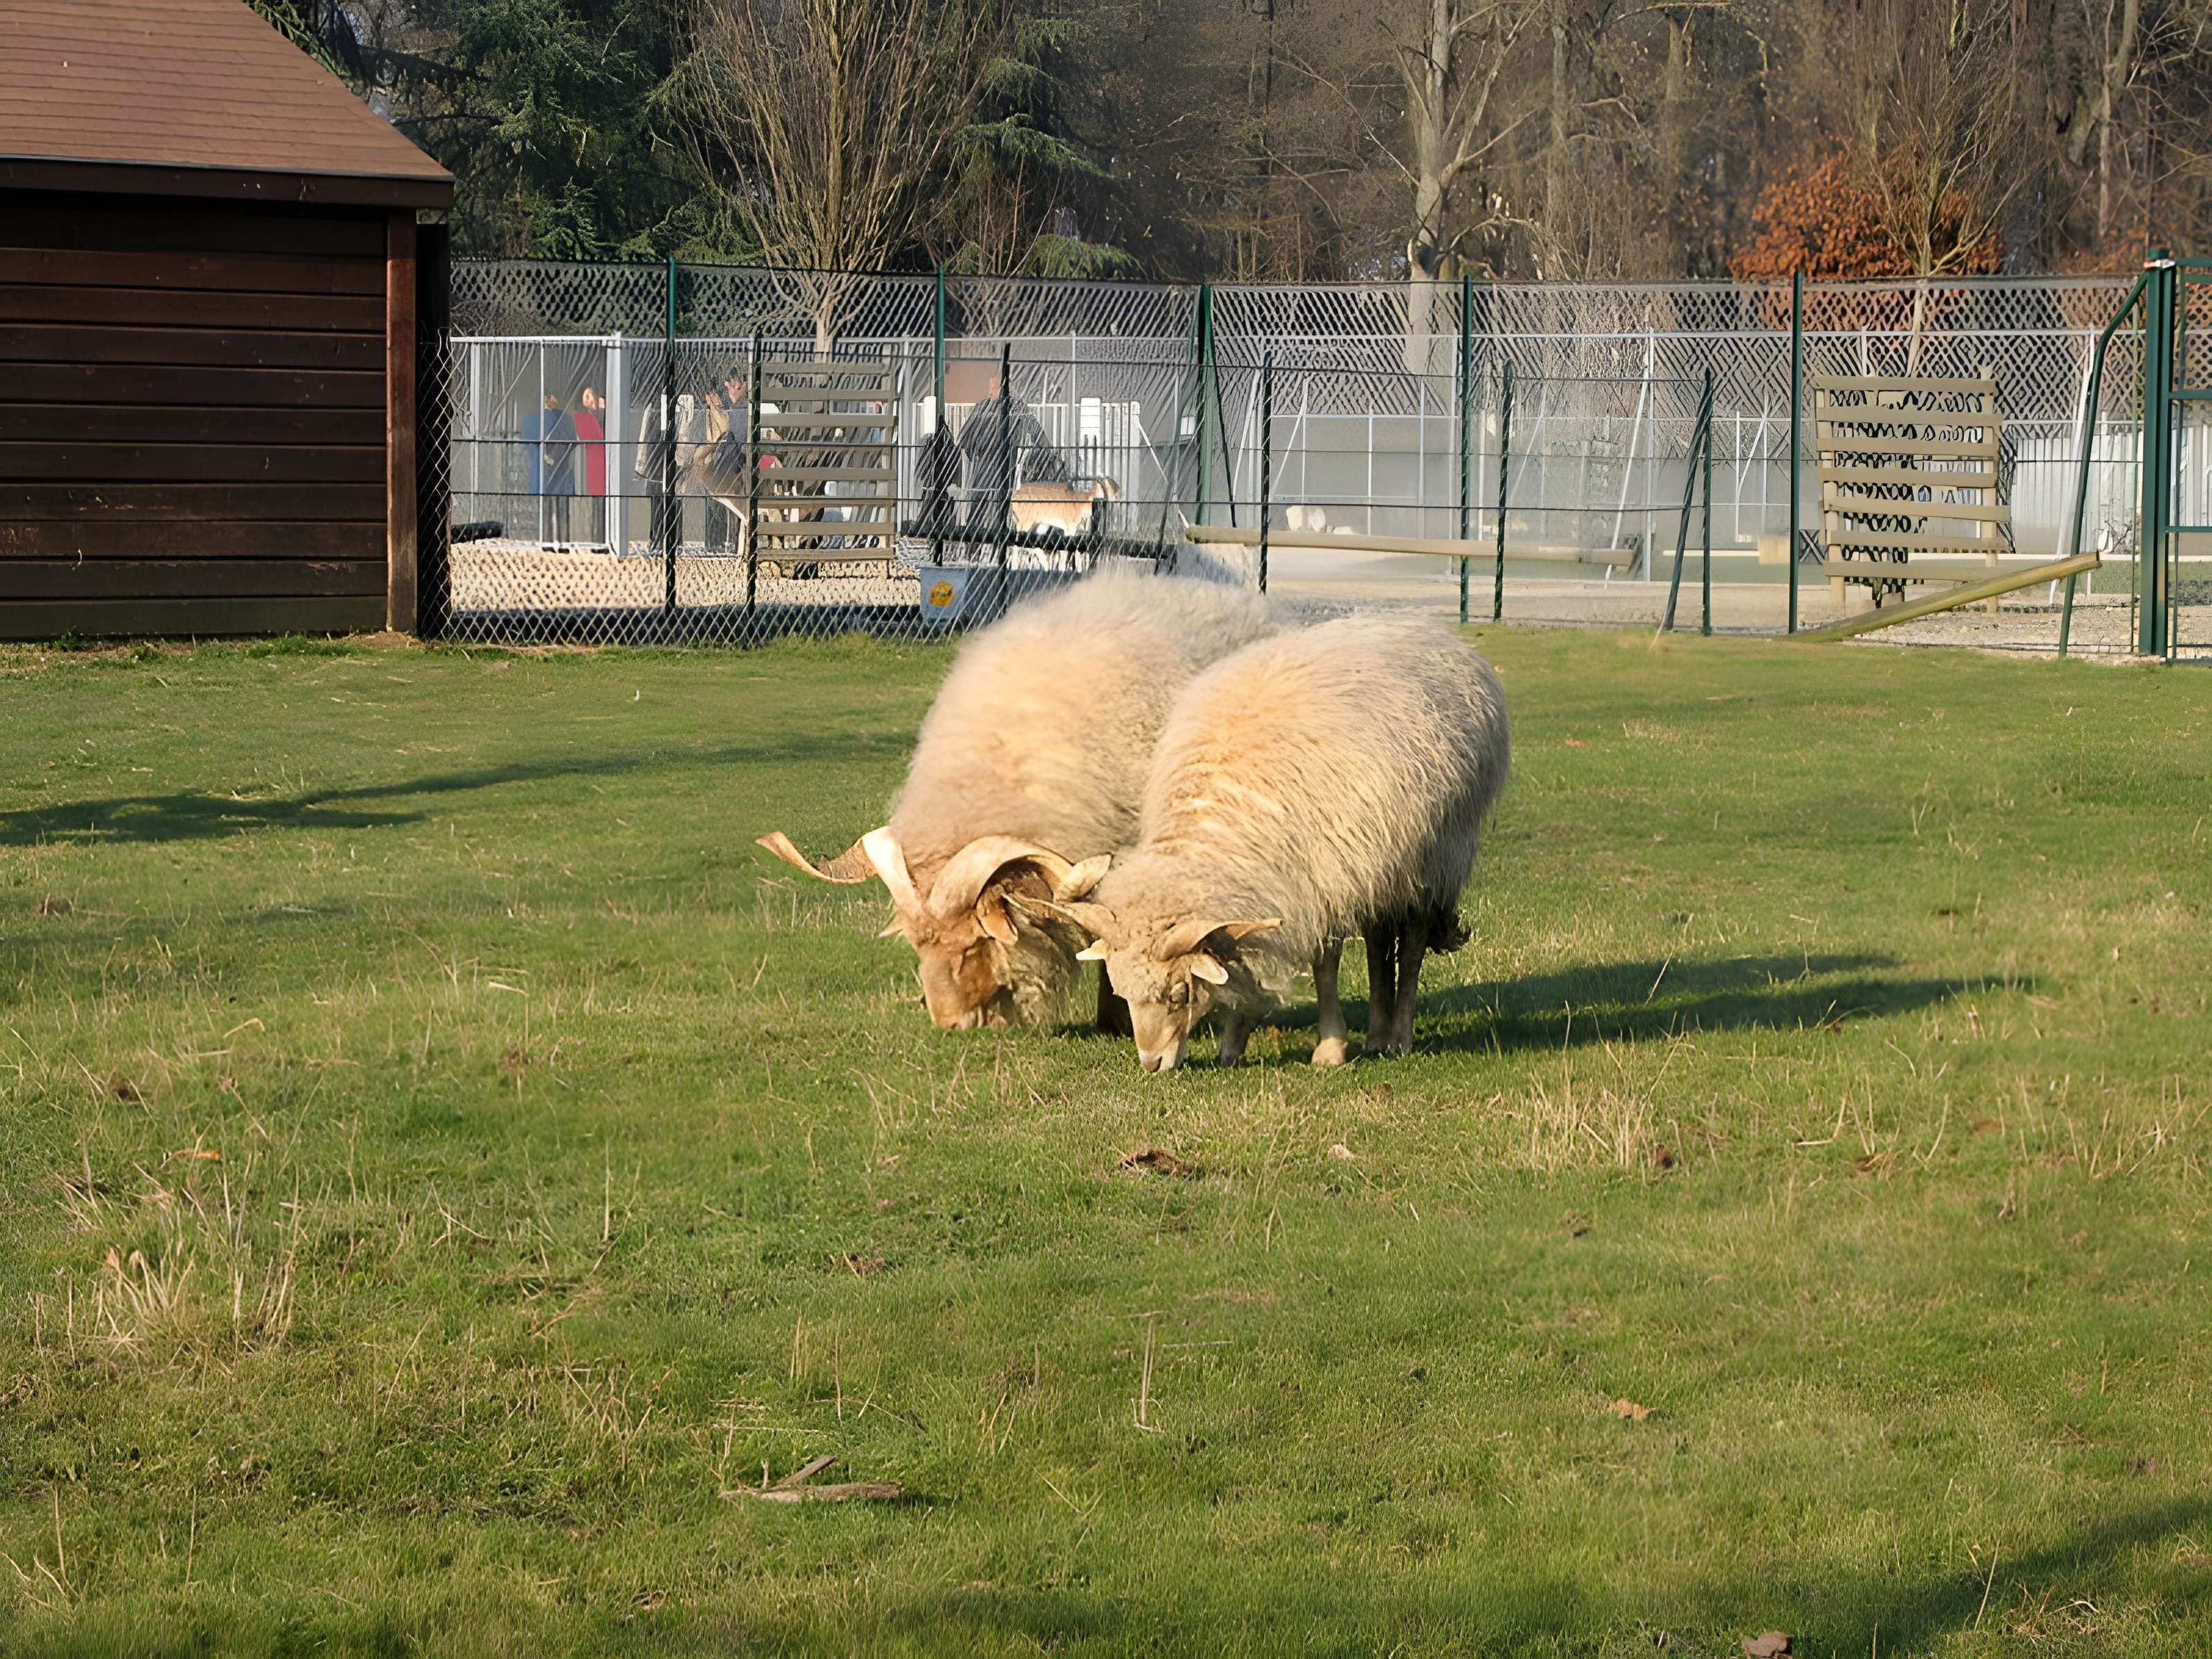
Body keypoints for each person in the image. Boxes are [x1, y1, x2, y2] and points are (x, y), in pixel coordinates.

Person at [957, 370, 1068, 515]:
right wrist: (976, 453)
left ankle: (996, 529)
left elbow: (1037, 432)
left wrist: (1046, 451)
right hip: (987, 461)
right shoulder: (983, 407)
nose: (990, 392)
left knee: (1000, 499)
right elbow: (965, 437)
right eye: (989, 387)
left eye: (994, 388)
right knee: (981, 498)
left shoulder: (1016, 407)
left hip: (1006, 461)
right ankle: (977, 530)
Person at [522, 391, 575, 546]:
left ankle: (550, 541)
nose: (555, 400)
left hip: (553, 472)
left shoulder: (534, 420)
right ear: (547, 399)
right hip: (554, 471)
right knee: (558, 510)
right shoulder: (563, 420)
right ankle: (557, 541)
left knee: (550, 510)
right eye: (552, 396)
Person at [572, 387, 608, 546]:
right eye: (585, 396)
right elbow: (594, 436)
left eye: (590, 394)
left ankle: (605, 537)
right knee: (597, 500)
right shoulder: (582, 416)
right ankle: (598, 539)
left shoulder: (601, 414)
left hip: (605, 459)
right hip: (594, 461)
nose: (589, 399)